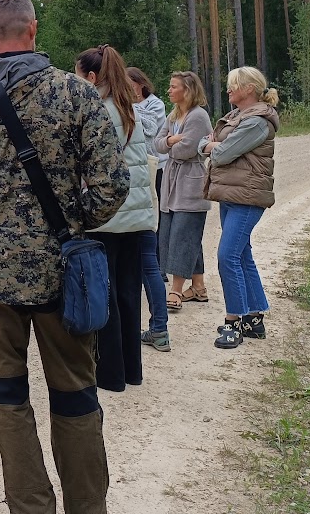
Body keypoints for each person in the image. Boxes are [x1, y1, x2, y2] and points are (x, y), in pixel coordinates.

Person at [0, 0, 128, 513]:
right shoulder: (75, 96)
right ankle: (87, 505)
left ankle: (30, 506)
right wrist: (73, 222)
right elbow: (111, 185)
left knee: (8, 399)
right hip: (65, 275)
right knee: (77, 395)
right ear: (33, 31)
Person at [76, 45, 155, 392]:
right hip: (136, 218)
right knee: (128, 295)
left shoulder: (98, 112)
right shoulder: (130, 110)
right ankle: (132, 370)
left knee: (103, 297)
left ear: (92, 78)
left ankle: (110, 375)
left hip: (107, 219)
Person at [201, 66, 279, 350]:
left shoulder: (258, 121)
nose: (228, 89)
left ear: (249, 89)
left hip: (248, 197)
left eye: (233, 85)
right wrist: (210, 146)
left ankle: (233, 323)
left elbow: (221, 152)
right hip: (230, 194)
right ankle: (254, 319)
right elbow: (209, 142)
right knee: (242, 256)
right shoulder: (237, 116)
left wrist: (211, 147)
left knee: (227, 257)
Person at [154, 71, 213, 314]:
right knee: (180, 233)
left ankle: (176, 290)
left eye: (173, 87)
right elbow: (157, 143)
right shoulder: (174, 114)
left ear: (187, 90)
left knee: (182, 235)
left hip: (190, 182)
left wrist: (171, 144)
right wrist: (170, 142)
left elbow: (188, 150)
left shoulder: (198, 117)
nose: (169, 91)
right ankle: (198, 287)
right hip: (172, 182)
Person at [126, 66, 169, 352]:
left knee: (147, 258)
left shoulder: (154, 104)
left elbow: (153, 133)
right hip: (137, 183)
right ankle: (155, 328)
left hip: (149, 177)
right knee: (141, 261)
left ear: (140, 84)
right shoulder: (124, 107)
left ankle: (159, 327)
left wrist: (124, 106)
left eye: (129, 85)